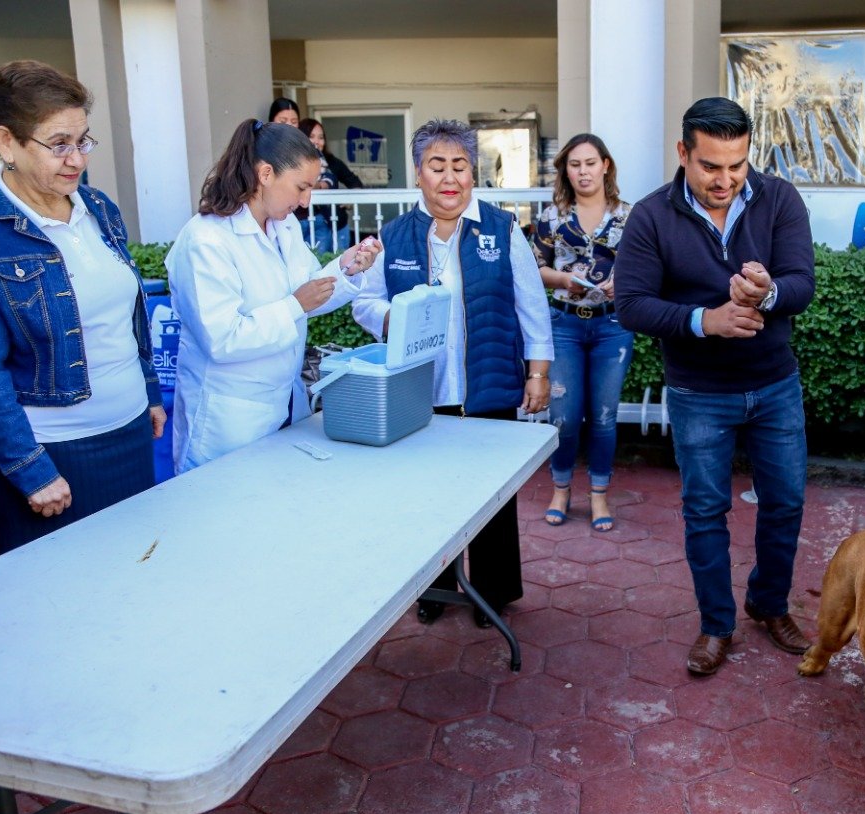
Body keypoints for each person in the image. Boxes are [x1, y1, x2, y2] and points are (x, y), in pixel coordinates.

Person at [613, 97, 816, 676]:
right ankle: (716, 625)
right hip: (698, 392)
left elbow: (802, 283)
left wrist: (767, 292)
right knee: (705, 510)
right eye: (710, 166)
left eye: (737, 165)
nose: (725, 180)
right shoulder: (651, 216)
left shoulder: (779, 199)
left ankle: (769, 604)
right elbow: (631, 304)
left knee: (786, 502)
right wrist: (708, 320)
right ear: (683, 153)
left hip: (775, 384)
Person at [0, 60, 165, 553]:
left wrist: (149, 392)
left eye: (83, 140)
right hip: (56, 452)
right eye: (58, 143)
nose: (76, 159)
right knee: (67, 587)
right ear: (6, 143)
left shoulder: (99, 207)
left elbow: (125, 319)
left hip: (130, 429)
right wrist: (30, 468)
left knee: (137, 568)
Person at [352, 118, 553, 626]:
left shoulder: (501, 228)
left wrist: (538, 373)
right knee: (427, 497)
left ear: (473, 172)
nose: (449, 178)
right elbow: (365, 302)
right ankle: (433, 589)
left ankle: (493, 592)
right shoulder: (394, 236)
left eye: (459, 166)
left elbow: (531, 306)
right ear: (418, 174)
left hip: (488, 386)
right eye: (436, 166)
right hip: (421, 392)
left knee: (492, 496)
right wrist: (391, 317)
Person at [165, 119, 380, 474]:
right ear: (265, 173)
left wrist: (346, 269)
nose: (306, 201)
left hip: (284, 407)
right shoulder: (205, 240)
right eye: (301, 187)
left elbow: (308, 291)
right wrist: (295, 304)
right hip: (229, 421)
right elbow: (222, 340)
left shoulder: (284, 226)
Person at [531, 133, 632, 531]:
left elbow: (647, 267)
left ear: (605, 166)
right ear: (566, 171)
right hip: (564, 326)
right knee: (565, 417)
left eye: (590, 163)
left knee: (604, 417)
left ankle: (599, 494)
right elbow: (535, 269)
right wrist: (562, 279)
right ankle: (560, 489)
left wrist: (623, 282)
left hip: (613, 327)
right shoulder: (551, 217)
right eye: (575, 165)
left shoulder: (629, 216)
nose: (583, 171)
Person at [296, 117, 364, 253]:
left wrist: (349, 201)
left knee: (337, 260)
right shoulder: (294, 163)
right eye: (311, 136)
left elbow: (356, 183)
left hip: (336, 223)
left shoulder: (332, 162)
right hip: (303, 222)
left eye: (321, 137)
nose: (317, 141)